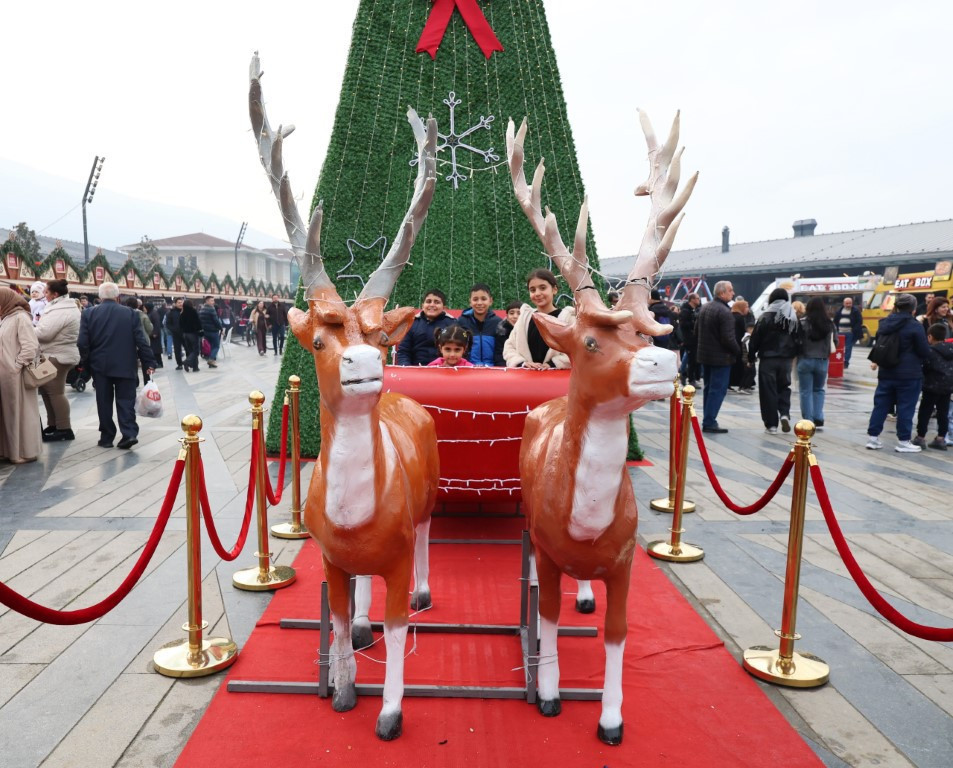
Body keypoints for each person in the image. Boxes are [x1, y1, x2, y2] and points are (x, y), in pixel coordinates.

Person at [77, 282, 156, 450]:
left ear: (99, 297)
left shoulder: (88, 314)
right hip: (125, 364)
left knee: (103, 401)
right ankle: (129, 434)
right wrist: (149, 362)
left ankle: (106, 437)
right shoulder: (131, 314)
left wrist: (86, 363)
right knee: (126, 400)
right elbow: (141, 341)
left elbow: (82, 342)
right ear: (117, 296)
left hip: (100, 365)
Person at [866, 293, 931, 452]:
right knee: (905, 407)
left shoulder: (884, 323)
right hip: (909, 374)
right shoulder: (915, 325)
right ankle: (903, 441)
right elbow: (924, 351)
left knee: (880, 405)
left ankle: (873, 439)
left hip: (886, 371)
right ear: (913, 309)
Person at [34, 279, 81, 442]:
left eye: (46, 292)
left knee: (55, 392)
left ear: (55, 294)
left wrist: (28, 329)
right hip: (55, 353)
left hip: (58, 355)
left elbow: (45, 333)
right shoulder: (61, 307)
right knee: (48, 391)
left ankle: (64, 428)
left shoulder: (61, 309)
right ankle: (54, 425)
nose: (44, 295)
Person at [750, 287, 800, 434]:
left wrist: (751, 356)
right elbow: (798, 338)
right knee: (784, 387)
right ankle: (784, 413)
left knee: (768, 391)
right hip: (786, 360)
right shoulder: (792, 317)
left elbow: (755, 338)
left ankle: (771, 425)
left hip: (768, 359)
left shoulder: (765, 316)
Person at [0, 287, 42, 463]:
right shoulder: (6, 318)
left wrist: (15, 366)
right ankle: (9, 451)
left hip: (15, 375)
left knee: (20, 414)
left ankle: (23, 452)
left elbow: (30, 347)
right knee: (7, 416)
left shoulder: (20, 317)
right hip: (6, 375)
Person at [503, 269, 573, 369]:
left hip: (557, 380)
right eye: (532, 290)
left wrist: (553, 364)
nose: (537, 293)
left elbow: (577, 350)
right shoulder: (524, 318)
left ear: (554, 289)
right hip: (527, 380)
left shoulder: (568, 318)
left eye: (542, 288)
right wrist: (522, 363)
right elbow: (509, 347)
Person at [695, 281, 739, 433]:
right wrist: (737, 351)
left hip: (705, 356)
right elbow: (728, 338)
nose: (732, 293)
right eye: (730, 290)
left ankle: (708, 419)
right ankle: (709, 421)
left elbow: (696, 332)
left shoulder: (705, 308)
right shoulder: (725, 312)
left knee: (709, 388)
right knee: (718, 390)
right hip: (721, 357)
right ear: (722, 293)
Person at [913, 324, 953, 450]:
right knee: (943, 412)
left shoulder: (930, 351)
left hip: (931, 386)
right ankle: (941, 438)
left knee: (925, 411)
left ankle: (920, 437)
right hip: (948, 386)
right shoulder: (951, 349)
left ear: (930, 336)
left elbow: (925, 367)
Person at [797, 297, 834, 429]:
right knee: (819, 389)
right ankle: (818, 417)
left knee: (805, 391)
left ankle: (808, 419)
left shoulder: (801, 323)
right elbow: (835, 342)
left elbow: (796, 342)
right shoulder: (829, 324)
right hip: (822, 361)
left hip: (805, 360)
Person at [396, 289, 454, 366]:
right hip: (416, 370)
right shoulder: (412, 323)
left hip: (444, 370)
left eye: (437, 302)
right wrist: (407, 370)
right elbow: (404, 351)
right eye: (428, 301)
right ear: (422, 306)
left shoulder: (452, 324)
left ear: (444, 308)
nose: (432, 305)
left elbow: (458, 350)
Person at [458, 283, 503, 366]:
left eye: (483, 299)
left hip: (493, 369)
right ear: (470, 302)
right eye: (475, 299)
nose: (479, 303)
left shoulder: (498, 323)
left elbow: (501, 350)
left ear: (490, 301)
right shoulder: (461, 321)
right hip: (468, 368)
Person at [677, 293, 702, 386]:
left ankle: (685, 375)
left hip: (693, 338)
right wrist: (694, 323)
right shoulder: (686, 311)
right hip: (689, 339)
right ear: (692, 299)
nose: (699, 300)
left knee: (691, 359)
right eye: (697, 298)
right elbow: (683, 325)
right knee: (692, 359)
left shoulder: (692, 310)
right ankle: (690, 379)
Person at [833, 297, 863, 369]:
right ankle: (838, 361)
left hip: (850, 333)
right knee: (838, 348)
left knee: (848, 348)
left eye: (850, 303)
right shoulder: (839, 311)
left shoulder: (855, 311)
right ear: (844, 303)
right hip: (840, 333)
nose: (848, 304)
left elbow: (859, 321)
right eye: (847, 303)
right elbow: (835, 321)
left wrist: (854, 330)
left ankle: (846, 362)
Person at [729, 300, 751, 392]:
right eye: (746, 307)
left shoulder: (731, 316)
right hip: (739, 343)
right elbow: (743, 331)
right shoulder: (740, 318)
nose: (748, 309)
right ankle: (739, 383)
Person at [199, 296, 223, 369]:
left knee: (211, 346)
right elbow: (216, 321)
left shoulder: (202, 309)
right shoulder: (211, 309)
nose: (213, 302)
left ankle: (212, 363)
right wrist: (221, 328)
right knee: (216, 346)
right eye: (212, 301)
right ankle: (211, 359)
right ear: (207, 301)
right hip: (213, 331)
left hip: (206, 331)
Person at [180, 298, 202, 372]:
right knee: (196, 351)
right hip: (193, 334)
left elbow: (180, 325)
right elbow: (198, 322)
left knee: (191, 351)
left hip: (185, 334)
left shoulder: (182, 313)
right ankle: (187, 362)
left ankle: (195, 367)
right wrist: (201, 331)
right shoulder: (193, 312)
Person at [166, 298, 185, 370]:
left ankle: (189, 362)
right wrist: (174, 329)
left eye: (181, 302)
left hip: (186, 334)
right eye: (179, 302)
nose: (181, 304)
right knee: (177, 350)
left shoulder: (186, 311)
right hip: (176, 334)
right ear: (175, 304)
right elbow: (168, 324)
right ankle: (179, 364)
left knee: (188, 349)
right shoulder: (171, 312)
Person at [144, 302, 164, 369]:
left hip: (155, 335)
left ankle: (159, 363)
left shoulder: (154, 313)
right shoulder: (150, 313)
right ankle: (157, 362)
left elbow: (157, 324)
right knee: (154, 349)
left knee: (156, 350)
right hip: (152, 334)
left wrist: (155, 333)